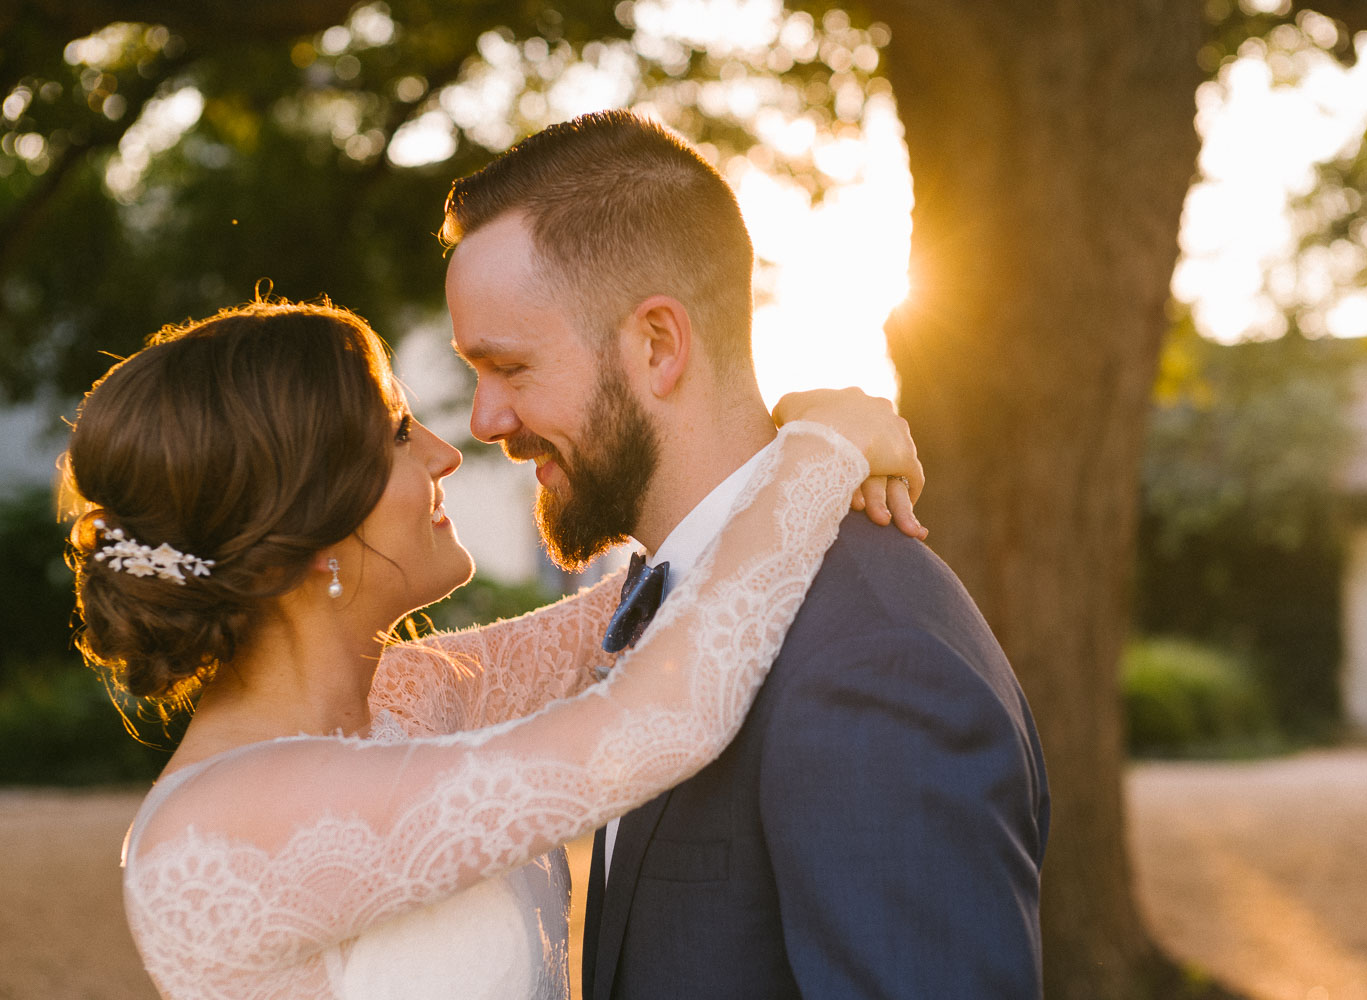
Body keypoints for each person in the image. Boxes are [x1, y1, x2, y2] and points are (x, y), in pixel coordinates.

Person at [66, 298, 923, 1000]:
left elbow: (664, 603)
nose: (445, 454)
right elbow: (661, 718)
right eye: (399, 432)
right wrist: (824, 451)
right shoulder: (211, 831)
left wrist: (780, 438)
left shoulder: (406, 700)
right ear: (310, 525)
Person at [440, 110, 1051, 999]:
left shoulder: (871, 661)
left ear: (658, 345)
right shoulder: (674, 597)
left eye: (511, 369)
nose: (485, 421)